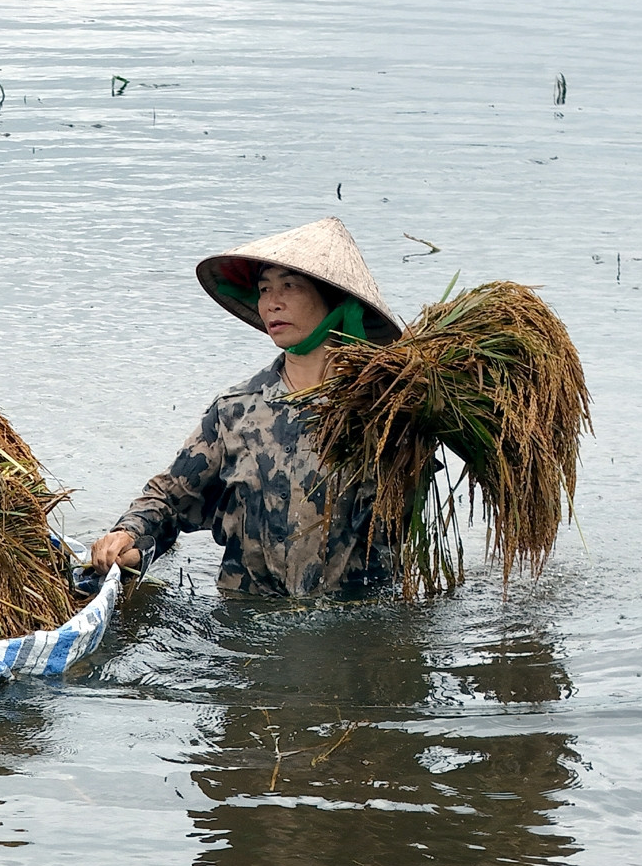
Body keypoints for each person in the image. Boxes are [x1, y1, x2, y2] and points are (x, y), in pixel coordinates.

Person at [88, 218, 405, 597]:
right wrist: (129, 534)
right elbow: (171, 498)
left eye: (290, 286)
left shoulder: (388, 408)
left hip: (359, 624)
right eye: (264, 288)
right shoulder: (236, 411)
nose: (272, 302)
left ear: (336, 300)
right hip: (249, 620)